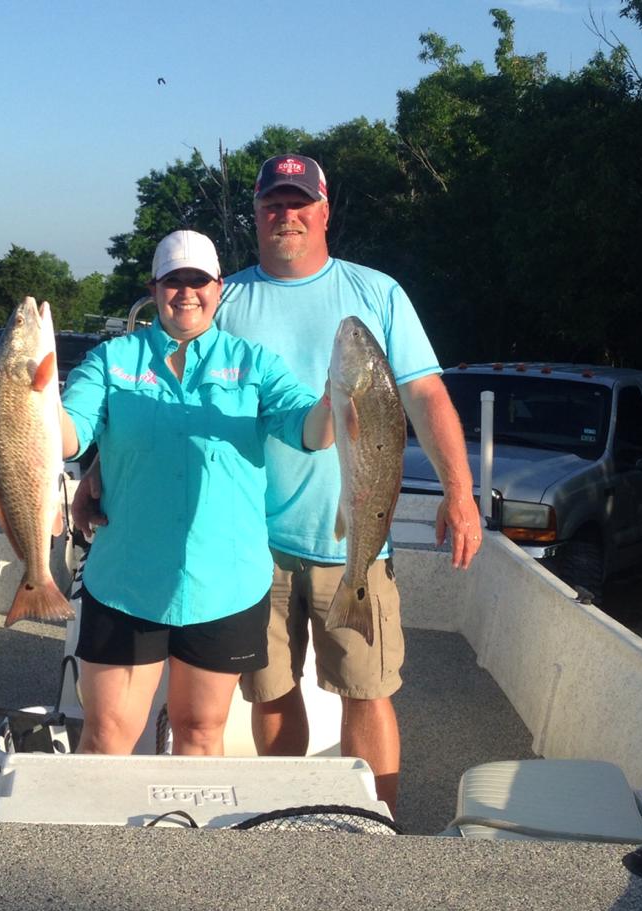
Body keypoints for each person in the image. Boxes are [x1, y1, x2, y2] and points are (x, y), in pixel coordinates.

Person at [73, 157, 480, 812]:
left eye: (299, 203)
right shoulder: (222, 296)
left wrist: (458, 492)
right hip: (251, 547)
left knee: (366, 689)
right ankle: (281, 817)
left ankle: (377, 826)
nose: (285, 215)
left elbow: (425, 392)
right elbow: (172, 399)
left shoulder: (375, 292)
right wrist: (99, 472)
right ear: (256, 215)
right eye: (271, 205)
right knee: (270, 692)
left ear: (323, 211)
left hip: (354, 535)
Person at [59, 229, 333, 757]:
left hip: (226, 584)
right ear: (154, 287)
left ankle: (191, 843)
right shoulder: (113, 360)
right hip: (127, 583)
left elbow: (311, 432)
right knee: (107, 737)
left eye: (198, 280)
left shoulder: (255, 363)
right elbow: (71, 432)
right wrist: (37, 407)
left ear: (219, 286)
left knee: (201, 735)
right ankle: (95, 844)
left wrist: (340, 399)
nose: (187, 292)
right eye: (173, 280)